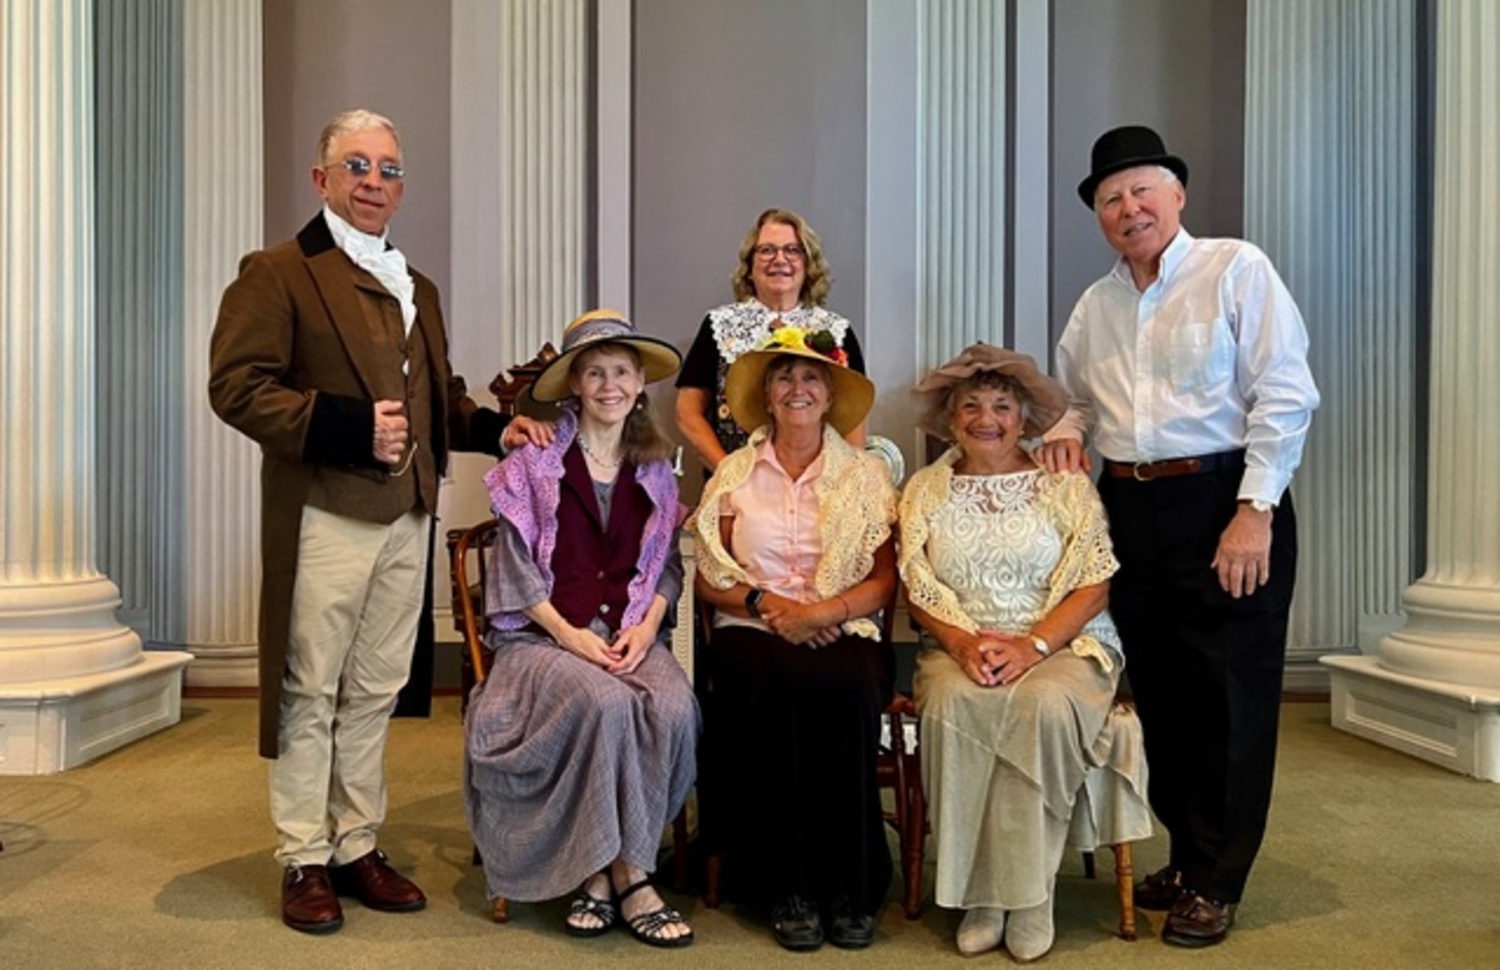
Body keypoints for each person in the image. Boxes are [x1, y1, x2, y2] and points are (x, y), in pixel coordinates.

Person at [208, 108, 548, 935]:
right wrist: (346, 426)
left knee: (373, 691)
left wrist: (491, 430)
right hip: (327, 509)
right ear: (321, 178)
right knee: (308, 689)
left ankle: (356, 842)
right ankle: (302, 857)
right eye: (356, 166)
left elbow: (441, 394)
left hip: (408, 515)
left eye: (389, 169)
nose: (374, 182)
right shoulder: (278, 271)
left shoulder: (416, 284)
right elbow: (237, 385)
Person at [1038, 125, 1320, 948]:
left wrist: (1254, 508)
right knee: (1163, 696)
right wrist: (1065, 430)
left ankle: (1222, 879)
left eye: (1142, 191)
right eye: (1111, 199)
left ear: (1177, 195)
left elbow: (1285, 396)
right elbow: (1081, 400)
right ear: (1098, 215)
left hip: (1224, 501)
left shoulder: (1236, 268)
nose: (1129, 209)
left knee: (1231, 697)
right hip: (1131, 510)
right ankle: (1190, 857)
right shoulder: (1096, 306)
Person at [898, 344, 1152, 961]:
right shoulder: (925, 489)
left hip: (1063, 643)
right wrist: (963, 643)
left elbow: (1094, 582)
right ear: (951, 418)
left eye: (1002, 406)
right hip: (960, 644)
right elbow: (915, 582)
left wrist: (1033, 646)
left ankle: (1030, 893)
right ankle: (983, 895)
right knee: (957, 706)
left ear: (1023, 417)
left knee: (1039, 707)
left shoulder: (1061, 483)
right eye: (972, 406)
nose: (987, 418)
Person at [464, 310, 697, 947]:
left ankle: (614, 870)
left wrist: (649, 626)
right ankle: (621, 872)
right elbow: (514, 571)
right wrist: (571, 636)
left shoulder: (655, 465)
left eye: (621, 371)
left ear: (639, 381)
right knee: (604, 701)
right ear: (575, 384)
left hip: (625, 630)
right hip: (540, 639)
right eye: (594, 373)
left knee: (675, 708)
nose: (609, 385)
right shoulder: (535, 460)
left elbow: (667, 566)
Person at [690, 329, 897, 952]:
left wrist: (826, 610)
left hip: (843, 620)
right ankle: (787, 885)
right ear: (768, 397)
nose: (797, 389)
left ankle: (850, 886)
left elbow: (885, 581)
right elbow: (709, 574)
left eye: (810, 379)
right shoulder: (733, 473)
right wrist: (766, 602)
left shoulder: (865, 474)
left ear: (830, 395)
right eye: (784, 378)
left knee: (851, 681)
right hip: (753, 626)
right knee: (774, 683)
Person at [675, 207, 866, 472]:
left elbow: (853, 422)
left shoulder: (836, 331)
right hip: (735, 492)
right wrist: (729, 474)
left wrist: (845, 483)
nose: (779, 259)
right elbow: (687, 412)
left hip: (816, 490)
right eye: (766, 250)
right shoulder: (718, 325)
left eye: (792, 250)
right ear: (750, 266)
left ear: (808, 264)